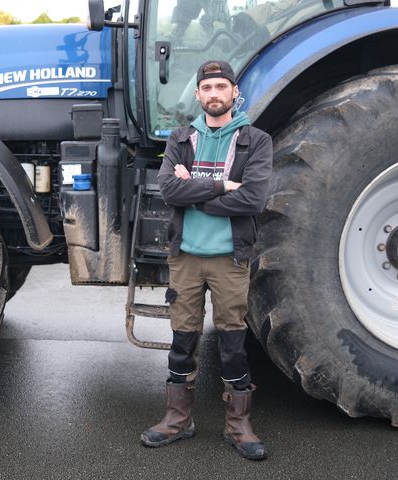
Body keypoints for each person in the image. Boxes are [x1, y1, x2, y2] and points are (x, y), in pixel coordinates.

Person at [141, 60, 273, 460]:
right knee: (183, 340)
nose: (214, 94)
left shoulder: (255, 140)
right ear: (198, 95)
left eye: (221, 86)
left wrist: (192, 187)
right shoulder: (181, 138)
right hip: (186, 257)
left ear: (234, 93)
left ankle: (239, 425)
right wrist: (220, 186)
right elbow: (167, 191)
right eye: (207, 88)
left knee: (233, 342)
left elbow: (253, 199)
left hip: (229, 259)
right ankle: (178, 419)